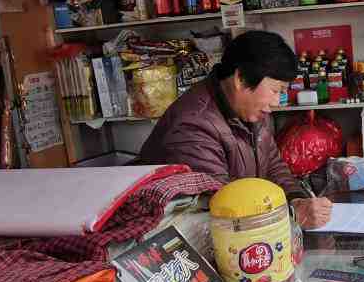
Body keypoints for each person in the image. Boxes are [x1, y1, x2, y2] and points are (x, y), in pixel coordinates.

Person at [136, 31, 332, 229]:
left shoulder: (251, 109)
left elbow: (273, 165)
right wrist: (291, 214)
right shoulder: (193, 126)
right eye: (275, 90)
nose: (276, 102)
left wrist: (296, 199)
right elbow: (221, 207)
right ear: (241, 79)